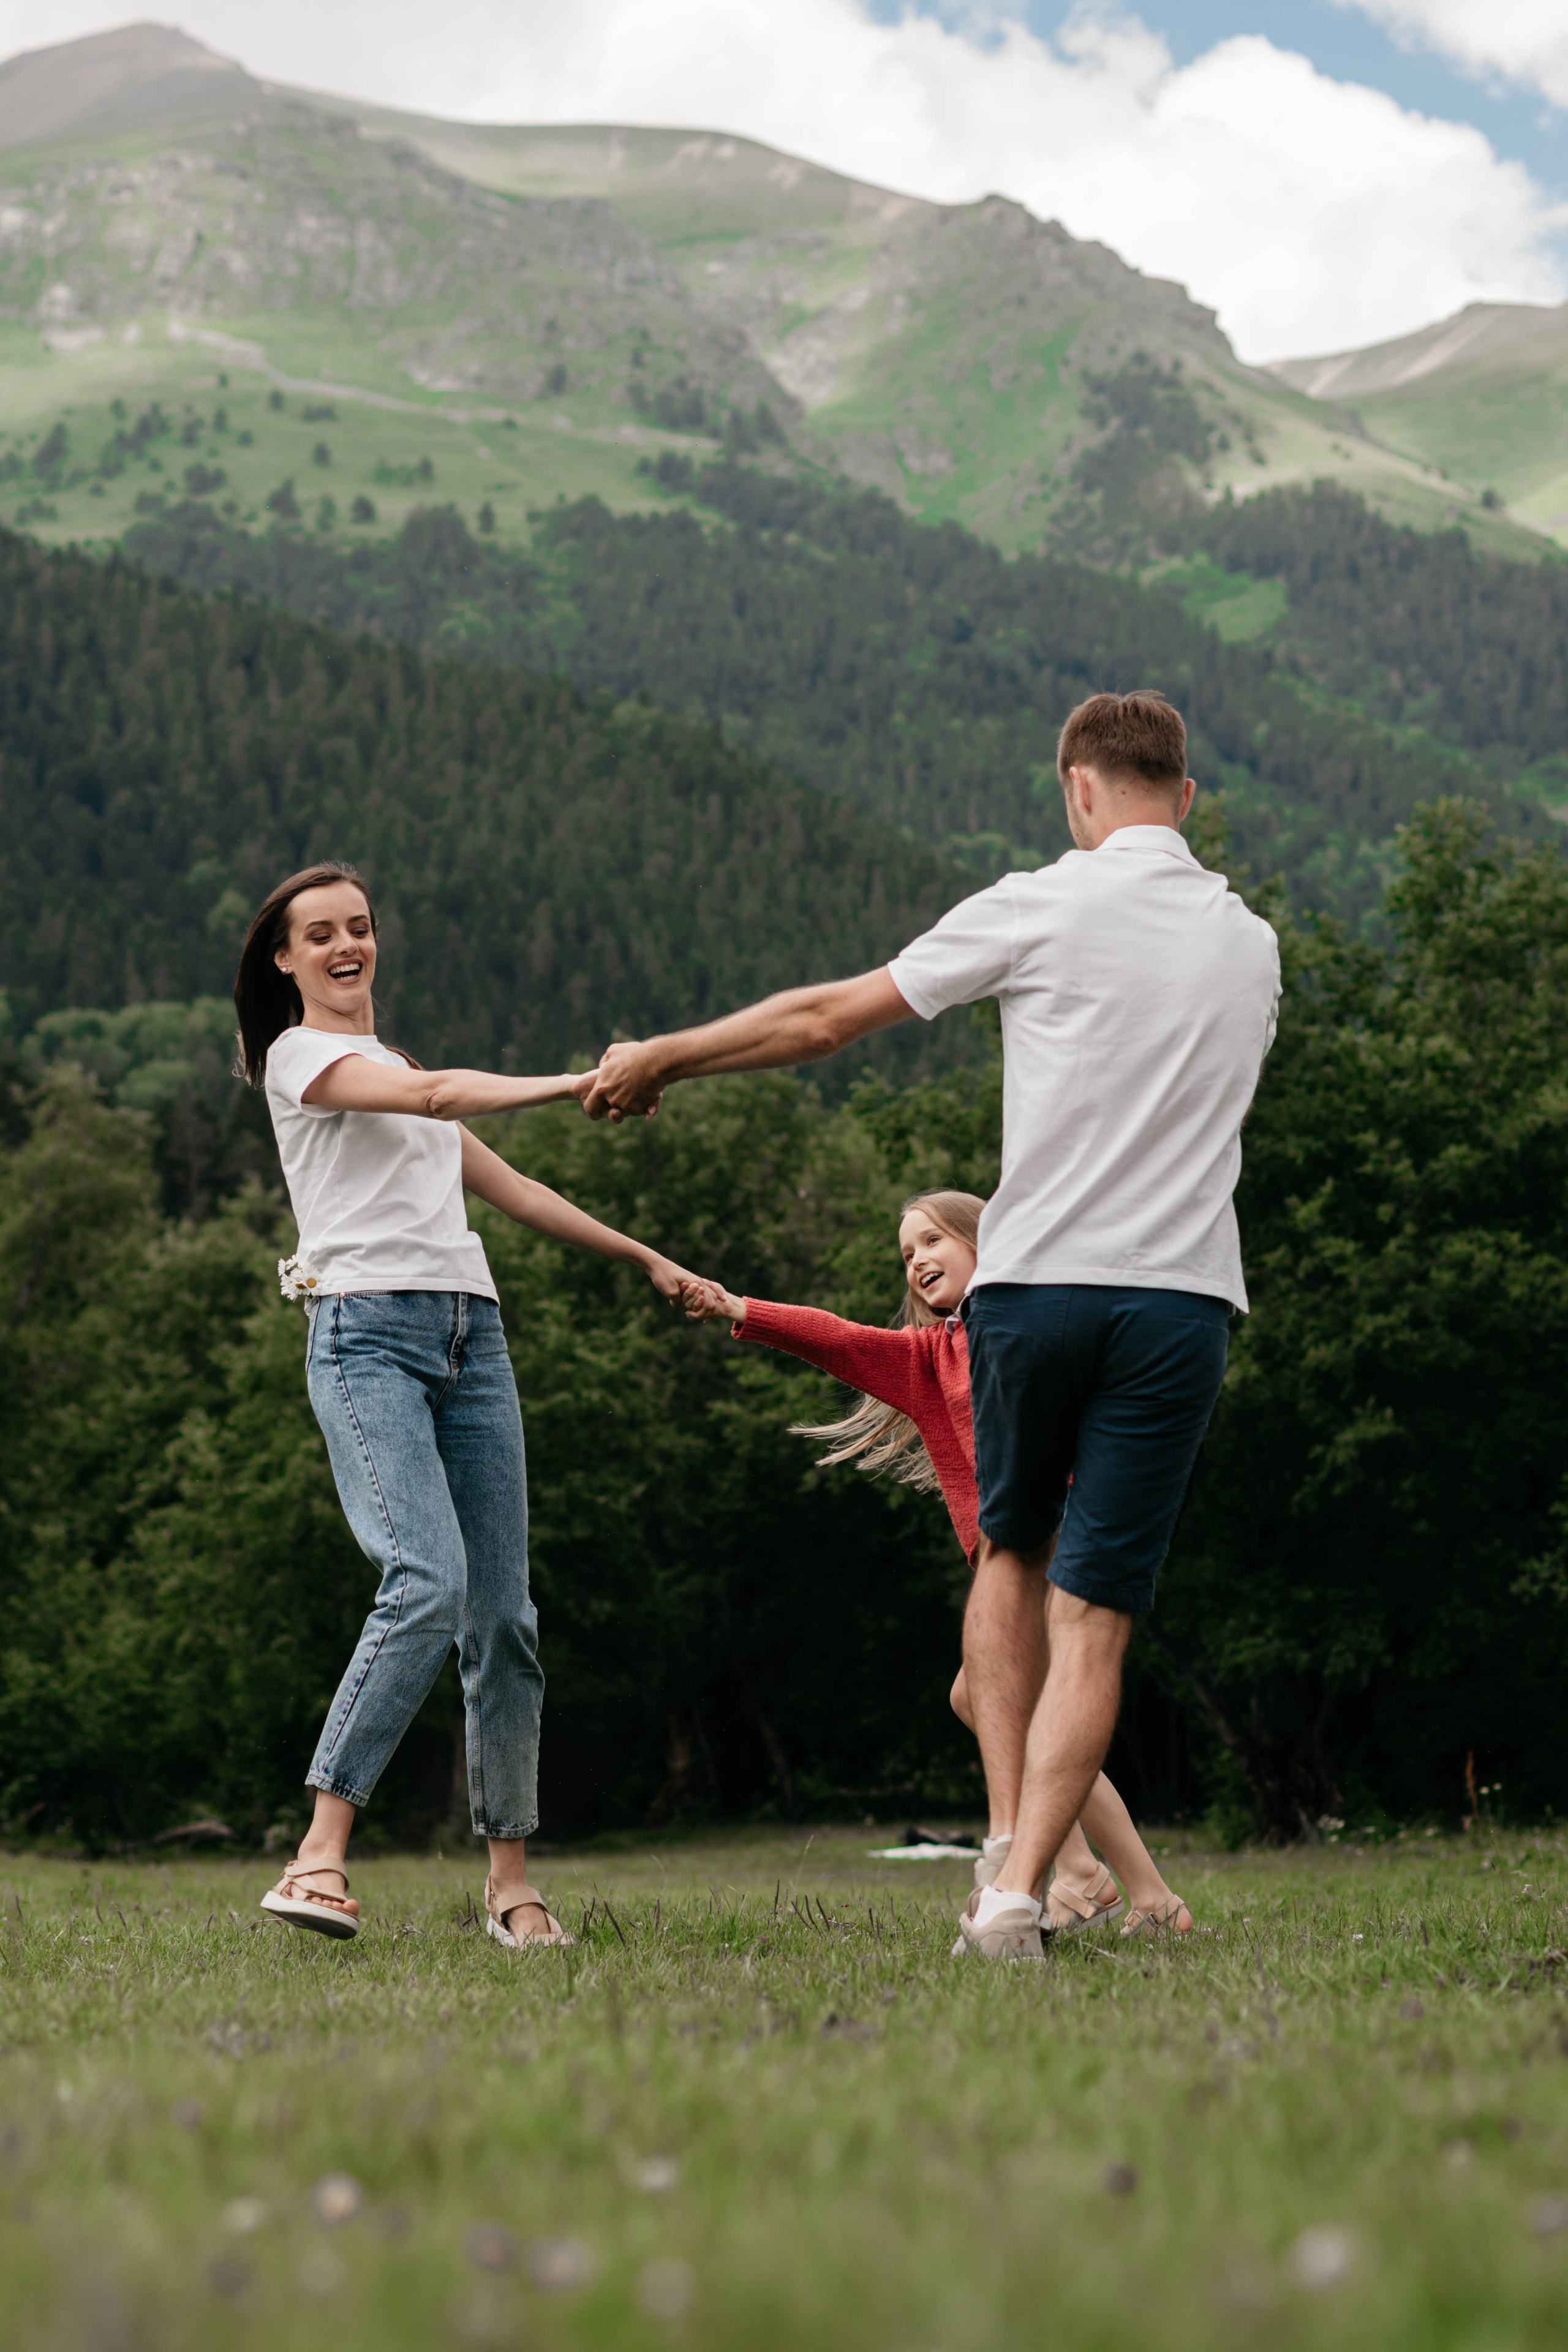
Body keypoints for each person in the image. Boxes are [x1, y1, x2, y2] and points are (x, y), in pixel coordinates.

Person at [586, 690, 1281, 1960]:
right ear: (1182, 799)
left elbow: (822, 1021)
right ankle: (1018, 1893)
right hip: (1183, 1300)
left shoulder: (1041, 901)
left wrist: (666, 1059)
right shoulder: (1252, 946)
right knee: (1097, 1624)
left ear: (1076, 789)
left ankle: (1010, 1881)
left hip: (1043, 1288)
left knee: (1007, 1563)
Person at [235, 860, 696, 1950]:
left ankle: (510, 1886)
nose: (348, 945)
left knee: (504, 1617)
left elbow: (512, 1189)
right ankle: (318, 1857)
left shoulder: (388, 1064)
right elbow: (440, 1095)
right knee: (425, 1579)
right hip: (365, 1336)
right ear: (285, 958)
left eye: (361, 927)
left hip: (469, 1335)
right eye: (321, 934)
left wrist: (648, 1260)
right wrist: (578, 1081)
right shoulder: (305, 1060)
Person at [682, 1188, 1190, 1939]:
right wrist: (742, 1309)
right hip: (1012, 1565)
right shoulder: (929, 1359)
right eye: (907, 1253)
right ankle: (1094, 1880)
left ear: (987, 1238)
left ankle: (1130, 1893)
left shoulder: (1029, 1328)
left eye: (932, 1240)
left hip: (1055, 1551)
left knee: (1004, 1704)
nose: (917, 1260)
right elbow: (839, 1338)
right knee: (986, 1703)